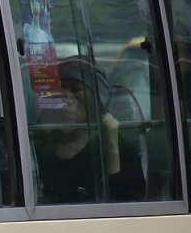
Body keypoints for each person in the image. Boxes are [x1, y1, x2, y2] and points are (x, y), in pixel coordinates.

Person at [33, 57, 142, 203]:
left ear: (97, 98)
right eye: (61, 89)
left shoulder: (120, 149)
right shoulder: (42, 145)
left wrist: (112, 150)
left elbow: (127, 203)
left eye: (75, 89)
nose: (66, 98)